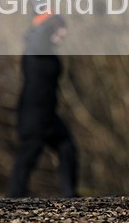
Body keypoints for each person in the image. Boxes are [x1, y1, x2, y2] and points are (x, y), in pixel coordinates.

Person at [8, 13, 79, 198]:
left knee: (66, 147)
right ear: (49, 29)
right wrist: (49, 20)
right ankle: (14, 196)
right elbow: (38, 35)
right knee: (28, 154)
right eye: (60, 31)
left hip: (48, 113)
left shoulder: (47, 50)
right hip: (33, 114)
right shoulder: (35, 48)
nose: (63, 36)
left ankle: (70, 194)